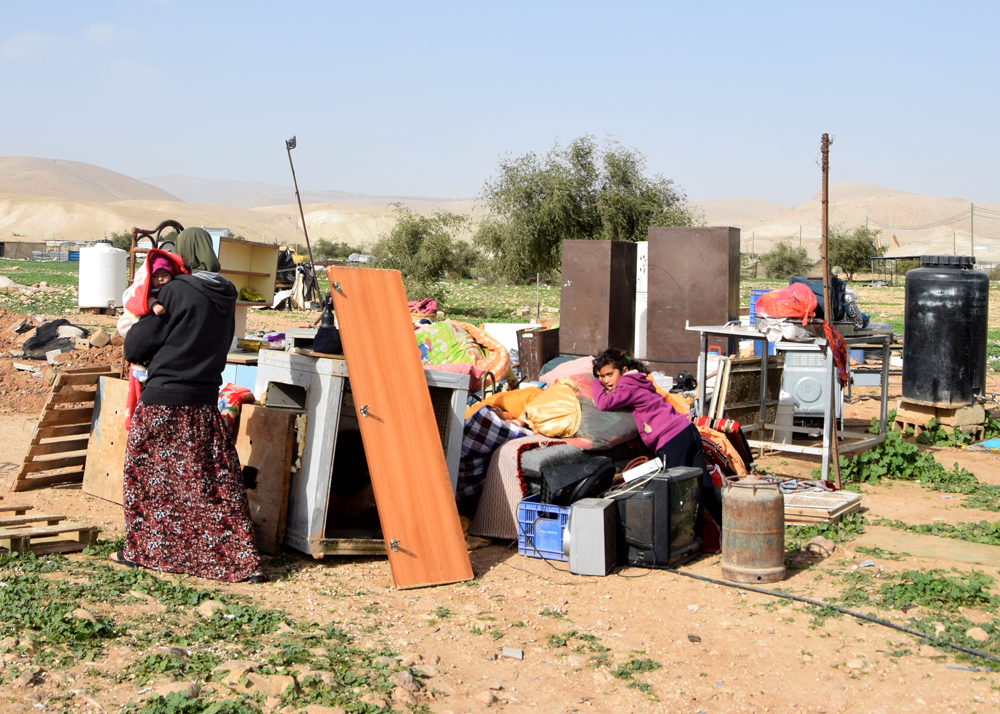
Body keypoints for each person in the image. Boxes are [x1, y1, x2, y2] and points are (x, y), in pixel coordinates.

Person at [111, 227, 266, 583]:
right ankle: (238, 560)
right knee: (210, 481)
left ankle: (145, 551)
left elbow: (136, 346)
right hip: (204, 404)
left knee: (149, 478)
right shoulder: (227, 295)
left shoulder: (176, 291)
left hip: (164, 402)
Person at [591, 348, 722, 525]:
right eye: (601, 377)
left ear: (624, 371)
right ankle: (731, 523)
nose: (606, 381)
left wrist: (595, 384)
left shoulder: (627, 385)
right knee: (704, 487)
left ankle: (679, 537)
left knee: (675, 491)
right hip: (687, 430)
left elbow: (604, 403)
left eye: (609, 374)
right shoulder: (640, 381)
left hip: (672, 439)